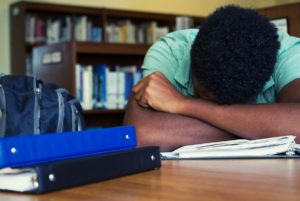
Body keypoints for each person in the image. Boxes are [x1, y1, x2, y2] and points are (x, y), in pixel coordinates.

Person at [123, 5, 300, 151]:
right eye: (206, 96)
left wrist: (182, 104)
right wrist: (261, 128)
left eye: (234, 103)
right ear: (191, 60)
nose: (213, 104)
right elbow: (142, 134)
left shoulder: (287, 54)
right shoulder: (171, 51)